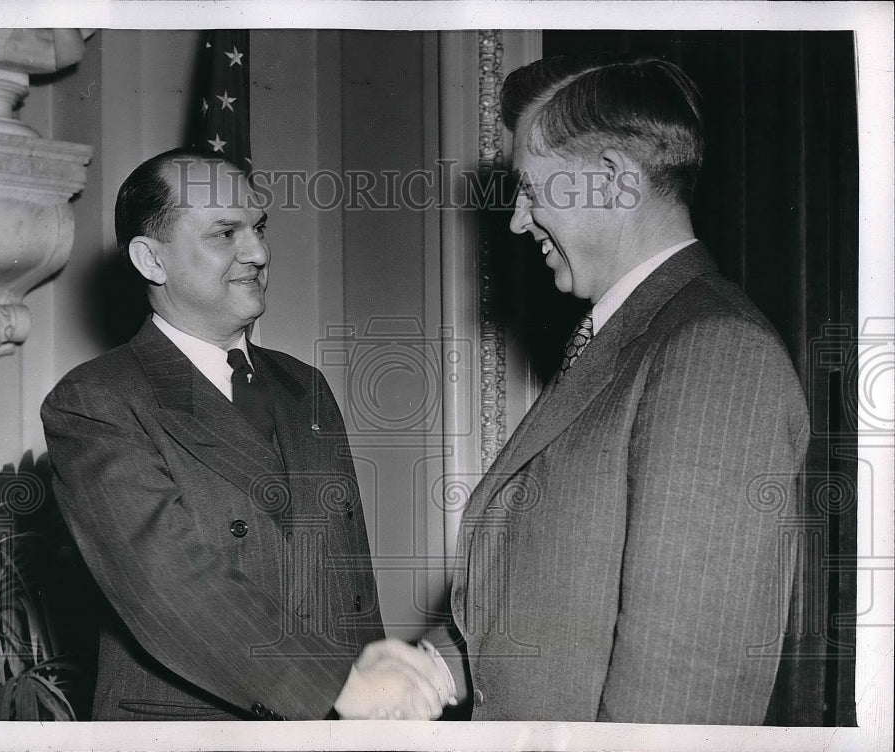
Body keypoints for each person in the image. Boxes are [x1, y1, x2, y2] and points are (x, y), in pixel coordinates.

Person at [424, 55, 810, 723]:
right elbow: (558, 601)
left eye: (532, 190)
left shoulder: (714, 354)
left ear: (610, 182)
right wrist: (430, 668)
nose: (518, 222)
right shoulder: (624, 342)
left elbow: (680, 700)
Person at [41, 149, 453, 721]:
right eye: (225, 233)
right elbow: (168, 586)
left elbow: (345, 579)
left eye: (258, 228)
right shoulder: (96, 401)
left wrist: (375, 698)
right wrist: (340, 687)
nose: (258, 252)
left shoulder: (304, 386)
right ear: (151, 260)